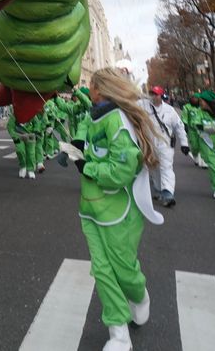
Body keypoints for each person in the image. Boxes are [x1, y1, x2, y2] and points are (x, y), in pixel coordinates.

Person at [61, 70, 164, 351]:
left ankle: (139, 295)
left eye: (91, 84)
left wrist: (87, 166)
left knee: (122, 268)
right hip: (90, 209)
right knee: (102, 271)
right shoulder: (93, 114)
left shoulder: (118, 119)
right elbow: (84, 125)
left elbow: (121, 170)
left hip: (120, 210)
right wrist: (75, 146)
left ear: (100, 88)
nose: (89, 88)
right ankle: (118, 333)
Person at [141, 86, 186, 207]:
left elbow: (179, 127)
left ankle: (168, 194)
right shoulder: (143, 106)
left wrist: (184, 143)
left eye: (156, 94)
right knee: (154, 169)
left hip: (165, 144)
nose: (153, 96)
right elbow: (130, 104)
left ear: (161, 96)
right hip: (149, 144)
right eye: (152, 94)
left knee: (166, 167)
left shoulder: (170, 110)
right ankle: (158, 189)